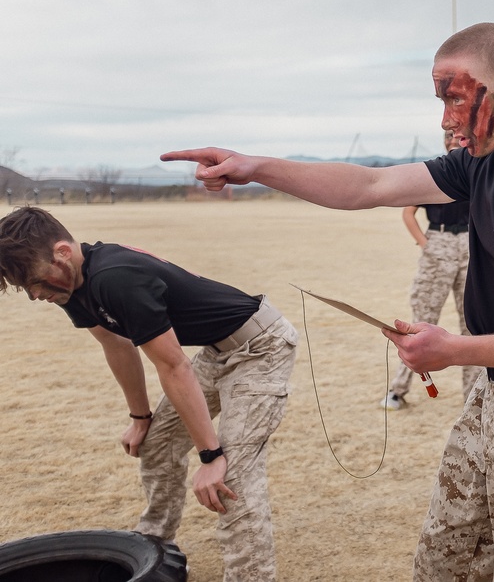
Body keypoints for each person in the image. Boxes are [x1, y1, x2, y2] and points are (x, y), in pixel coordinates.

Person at [162, 21, 494, 581]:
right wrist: (254, 168)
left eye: (457, 99)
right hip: (489, 401)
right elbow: (370, 187)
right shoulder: (480, 165)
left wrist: (454, 350)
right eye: (442, 101)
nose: (446, 119)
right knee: (444, 563)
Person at [0, 206, 297, 582]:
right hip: (217, 351)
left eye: (33, 280)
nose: (34, 294)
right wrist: (140, 418)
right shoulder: (71, 287)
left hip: (262, 347)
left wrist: (211, 455)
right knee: (158, 444)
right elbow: (117, 345)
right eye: (25, 288)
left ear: (61, 252)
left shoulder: (115, 277)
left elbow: (174, 367)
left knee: (229, 474)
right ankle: (154, 547)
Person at [380, 130, 482, 410]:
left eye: (458, 135)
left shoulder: (477, 171)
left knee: (472, 324)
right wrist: (425, 243)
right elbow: (408, 212)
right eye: (449, 135)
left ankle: (473, 398)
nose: (453, 139)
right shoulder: (437, 173)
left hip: (469, 245)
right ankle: (398, 390)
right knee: (420, 321)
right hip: (438, 240)